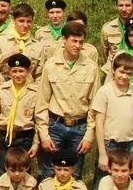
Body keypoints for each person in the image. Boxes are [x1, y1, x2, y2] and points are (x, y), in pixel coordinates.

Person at [35, 22, 98, 179]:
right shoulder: (51, 65)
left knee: (74, 174)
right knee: (48, 173)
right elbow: (42, 102)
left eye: (81, 42)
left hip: (79, 127)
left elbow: (94, 105)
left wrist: (89, 134)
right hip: (55, 126)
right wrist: (43, 134)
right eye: (74, 41)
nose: (77, 45)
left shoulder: (91, 67)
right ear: (64, 40)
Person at [91, 54, 133, 168]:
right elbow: (99, 123)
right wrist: (102, 154)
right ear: (113, 70)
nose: (124, 76)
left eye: (129, 74)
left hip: (130, 144)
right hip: (109, 144)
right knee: (104, 178)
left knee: (126, 178)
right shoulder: (104, 92)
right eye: (121, 72)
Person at [0, 53, 37, 173]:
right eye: (14, 71)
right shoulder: (2, 89)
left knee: (23, 173)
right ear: (9, 72)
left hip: (24, 137)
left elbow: (39, 120)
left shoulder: (35, 92)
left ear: (28, 71)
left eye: (21, 71)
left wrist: (36, 143)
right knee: (2, 173)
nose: (18, 75)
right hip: (4, 137)